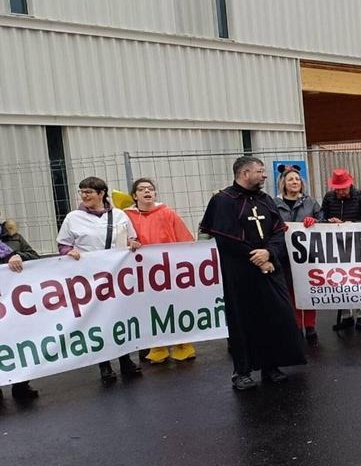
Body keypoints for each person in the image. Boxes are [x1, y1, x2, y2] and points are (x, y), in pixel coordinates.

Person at [199, 156, 306, 390]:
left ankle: (271, 366)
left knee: (275, 317)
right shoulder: (223, 200)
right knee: (243, 320)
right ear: (245, 173)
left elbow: (279, 232)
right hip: (241, 274)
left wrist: (268, 254)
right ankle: (242, 371)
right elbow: (226, 238)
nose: (265, 175)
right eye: (260, 171)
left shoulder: (265, 200)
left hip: (269, 269)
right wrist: (257, 259)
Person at [57, 176, 144, 385]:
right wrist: (71, 251)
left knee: (119, 318)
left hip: (117, 276)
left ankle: (125, 360)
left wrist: (133, 243)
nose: (85, 196)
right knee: (98, 320)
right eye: (82, 192)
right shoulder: (73, 218)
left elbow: (132, 238)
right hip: (89, 278)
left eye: (89, 192)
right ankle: (104, 364)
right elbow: (63, 245)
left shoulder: (120, 215)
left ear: (101, 194)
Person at [125, 177, 198, 363]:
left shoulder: (167, 213)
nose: (147, 192)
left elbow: (185, 239)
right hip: (144, 272)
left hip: (170, 270)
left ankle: (184, 345)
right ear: (134, 195)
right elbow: (122, 241)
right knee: (151, 309)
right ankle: (158, 347)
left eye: (150, 189)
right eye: (142, 189)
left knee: (177, 306)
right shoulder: (127, 217)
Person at [274, 167, 322, 343]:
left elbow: (322, 220)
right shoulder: (274, 204)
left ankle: (310, 326)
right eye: (290, 180)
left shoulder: (310, 202)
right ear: (283, 184)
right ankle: (296, 327)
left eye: (297, 179)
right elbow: (270, 225)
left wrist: (315, 222)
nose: (294, 182)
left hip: (307, 256)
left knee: (308, 290)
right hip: (284, 255)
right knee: (290, 291)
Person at [321, 168, 361, 331]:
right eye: (338, 189)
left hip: (357, 243)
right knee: (339, 279)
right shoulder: (329, 198)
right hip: (336, 244)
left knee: (357, 279)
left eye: (343, 188)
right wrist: (330, 222)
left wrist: (353, 224)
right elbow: (322, 218)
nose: (341, 192)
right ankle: (346, 315)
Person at [0, 226, 39, 400]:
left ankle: (21, 384)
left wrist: (19, 256)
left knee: (18, 340)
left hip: (14, 302)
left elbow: (34, 256)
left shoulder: (13, 236)